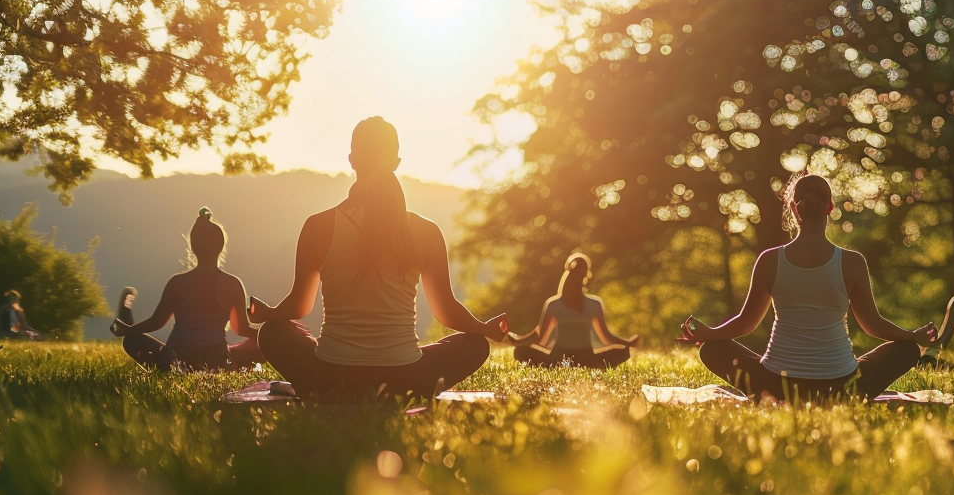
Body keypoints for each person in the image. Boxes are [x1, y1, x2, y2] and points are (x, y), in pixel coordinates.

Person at [248, 117, 505, 400]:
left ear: (352, 160)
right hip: (406, 379)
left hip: (329, 375)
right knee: (476, 345)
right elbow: (447, 312)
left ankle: (330, 391)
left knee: (273, 333)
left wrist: (267, 314)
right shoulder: (425, 231)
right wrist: (484, 329)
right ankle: (395, 393)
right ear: (396, 161)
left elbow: (299, 305)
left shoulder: (318, 226)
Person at [681, 174, 935, 402]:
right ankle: (838, 395)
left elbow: (745, 324)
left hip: (777, 386)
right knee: (906, 350)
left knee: (712, 349)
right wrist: (914, 336)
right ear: (830, 207)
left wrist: (709, 334)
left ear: (793, 209)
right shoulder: (852, 262)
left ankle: (784, 395)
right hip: (843, 386)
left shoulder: (770, 260)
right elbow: (873, 325)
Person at [110, 209, 264, 370]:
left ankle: (167, 366)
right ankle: (232, 366)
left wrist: (129, 330)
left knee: (131, 340)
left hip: (177, 357)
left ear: (192, 246)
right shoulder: (233, 283)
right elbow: (241, 328)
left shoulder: (178, 282)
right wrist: (268, 333)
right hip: (216, 359)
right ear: (221, 246)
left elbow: (156, 322)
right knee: (261, 343)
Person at [507, 253, 640, 368]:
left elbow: (541, 339)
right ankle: (593, 366)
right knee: (623, 351)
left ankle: (555, 365)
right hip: (587, 360)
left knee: (520, 351)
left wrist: (520, 341)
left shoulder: (554, 304)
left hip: (557, 359)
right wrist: (627, 343)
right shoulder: (594, 304)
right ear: (586, 277)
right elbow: (606, 338)